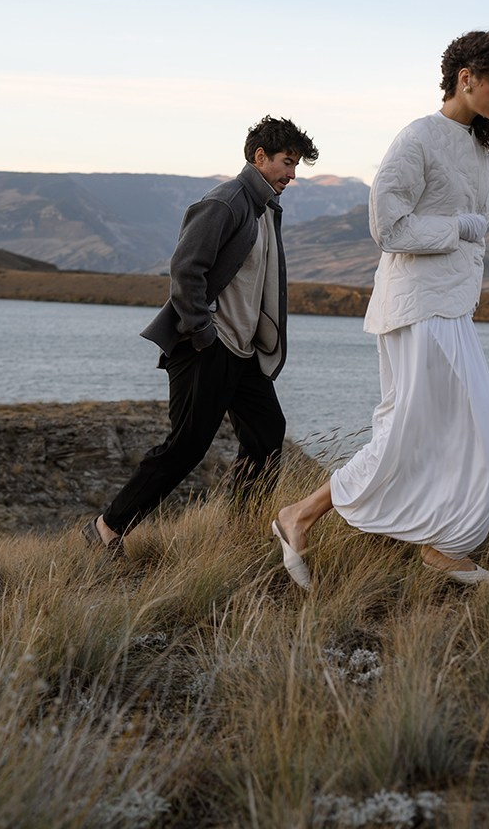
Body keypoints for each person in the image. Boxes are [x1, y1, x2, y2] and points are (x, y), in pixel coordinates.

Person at [270, 29, 489, 590]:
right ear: (465, 77)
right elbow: (388, 226)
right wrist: (456, 228)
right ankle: (309, 518)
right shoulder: (418, 138)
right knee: (437, 426)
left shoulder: (482, 146)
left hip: (452, 304)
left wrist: (464, 242)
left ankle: (438, 545)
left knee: (440, 429)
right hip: (416, 304)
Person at [82, 114, 319, 552]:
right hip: (206, 347)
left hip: (241, 351)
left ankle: (240, 531)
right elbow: (186, 268)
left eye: (296, 166)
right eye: (287, 163)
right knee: (186, 447)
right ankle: (107, 529)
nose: (291, 174)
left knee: (267, 435)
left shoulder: (264, 206)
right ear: (259, 156)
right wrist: (202, 332)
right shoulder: (226, 201)